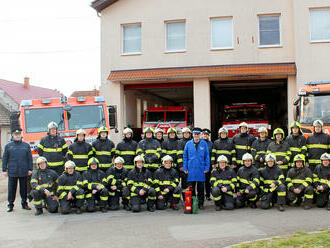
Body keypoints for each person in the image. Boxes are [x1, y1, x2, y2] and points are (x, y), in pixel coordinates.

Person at [2, 128, 33, 212]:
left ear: (21, 135)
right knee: (11, 189)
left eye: (19, 134)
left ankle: (24, 204)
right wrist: (4, 170)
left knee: (24, 189)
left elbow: (30, 158)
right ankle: (10, 205)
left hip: (23, 170)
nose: (17, 136)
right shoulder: (8, 146)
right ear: (12, 135)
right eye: (16, 135)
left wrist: (30, 169)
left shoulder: (26, 145)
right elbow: (5, 158)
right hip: (13, 171)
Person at [183, 127, 210, 209]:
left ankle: (201, 203)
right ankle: (193, 203)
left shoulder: (204, 144)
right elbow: (185, 157)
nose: (196, 136)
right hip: (191, 170)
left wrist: (207, 168)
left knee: (201, 188)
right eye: (195, 134)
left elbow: (207, 157)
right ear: (192, 135)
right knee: (191, 188)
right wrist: (185, 168)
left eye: (198, 134)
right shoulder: (188, 144)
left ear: (200, 135)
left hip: (201, 169)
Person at [177, 127, 192, 200]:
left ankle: (190, 197)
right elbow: (179, 155)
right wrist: (181, 165)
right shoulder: (180, 142)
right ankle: (184, 198)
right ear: (183, 134)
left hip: (191, 166)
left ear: (189, 134)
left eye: (187, 133)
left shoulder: (192, 141)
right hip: (184, 166)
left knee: (191, 183)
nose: (186, 134)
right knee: (184, 183)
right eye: (185, 133)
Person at [202, 128, 213, 201]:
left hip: (207, 165)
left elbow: (212, 155)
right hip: (199, 165)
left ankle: (208, 195)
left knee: (207, 181)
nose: (205, 136)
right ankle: (200, 195)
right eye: (204, 134)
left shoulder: (211, 144)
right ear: (202, 135)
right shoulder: (198, 142)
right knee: (200, 181)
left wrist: (211, 164)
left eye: (207, 134)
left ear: (208, 135)